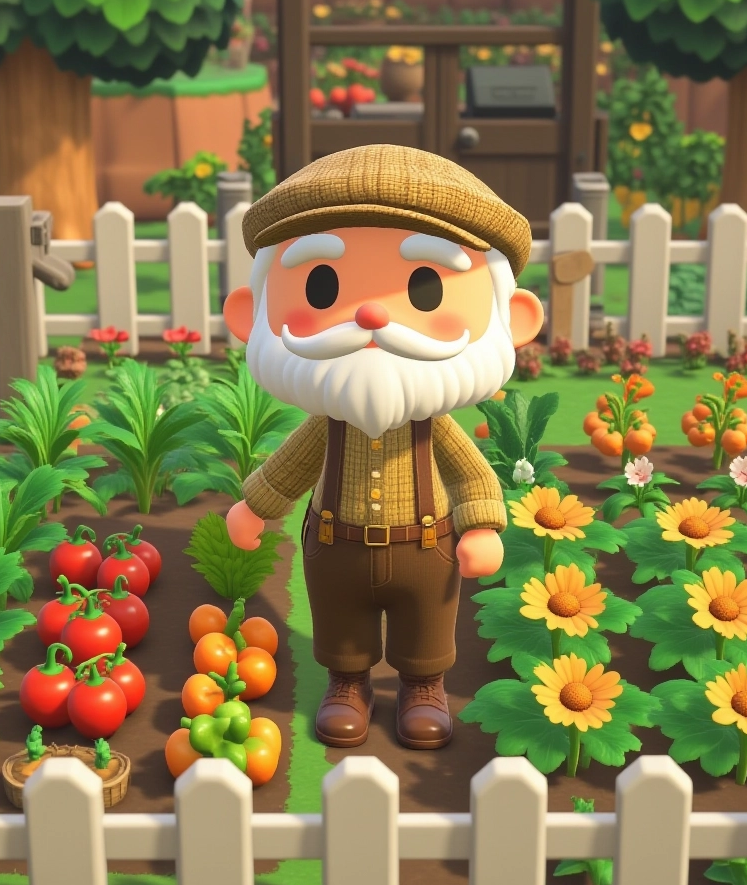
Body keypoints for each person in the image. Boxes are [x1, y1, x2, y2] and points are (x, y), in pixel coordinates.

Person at [221, 144, 544, 750]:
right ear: (251, 315)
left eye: (424, 287)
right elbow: (291, 465)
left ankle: (424, 688)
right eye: (324, 285)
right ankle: (348, 684)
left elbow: (472, 476)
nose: (371, 312)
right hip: (335, 542)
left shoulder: (432, 423)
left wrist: (480, 526)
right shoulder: (329, 420)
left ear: (514, 318)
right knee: (342, 627)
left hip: (426, 543)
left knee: (428, 627)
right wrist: (256, 505)